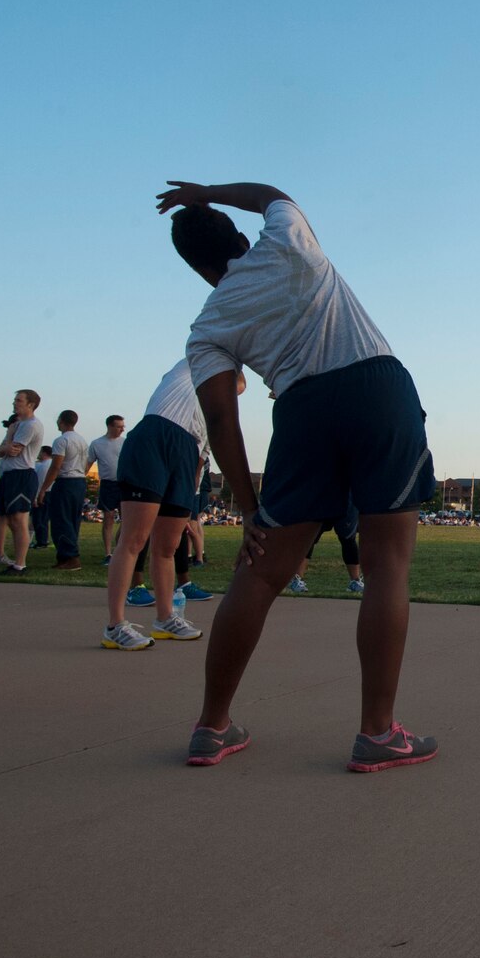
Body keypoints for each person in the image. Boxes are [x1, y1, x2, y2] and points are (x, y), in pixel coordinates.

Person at [160, 180, 438, 773]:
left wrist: (246, 506)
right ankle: (377, 733)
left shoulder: (208, 324)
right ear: (237, 236)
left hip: (301, 411)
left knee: (259, 575)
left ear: (197, 269)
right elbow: (271, 193)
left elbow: (220, 420)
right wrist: (206, 191)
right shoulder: (284, 241)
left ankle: (211, 726)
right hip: (376, 388)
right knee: (387, 564)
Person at [103, 360, 240, 649]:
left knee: (168, 546)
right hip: (156, 435)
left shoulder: (212, 416)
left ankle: (165, 618)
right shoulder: (194, 365)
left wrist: (187, 495)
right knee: (134, 539)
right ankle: (115, 625)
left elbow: (201, 459)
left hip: (187, 454)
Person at [0, 391, 46, 576]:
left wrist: (8, 442)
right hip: (10, 475)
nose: (15, 403)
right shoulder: (18, 425)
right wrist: (6, 444)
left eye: (19, 400)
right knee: (7, 518)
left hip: (22, 475)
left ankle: (20, 564)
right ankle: (4, 557)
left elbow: (12, 451)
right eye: (15, 400)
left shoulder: (30, 425)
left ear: (31, 404)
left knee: (19, 520)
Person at [36, 410, 89, 570]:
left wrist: (43, 488)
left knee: (61, 520)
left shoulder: (61, 440)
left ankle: (70, 556)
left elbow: (56, 465)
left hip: (65, 482)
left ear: (61, 421)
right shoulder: (82, 440)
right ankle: (67, 555)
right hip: (79, 481)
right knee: (73, 520)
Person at [88, 414, 127, 563]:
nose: (122, 429)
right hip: (107, 484)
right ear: (110, 426)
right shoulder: (97, 444)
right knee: (108, 518)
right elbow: (89, 463)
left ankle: (120, 549)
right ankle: (108, 553)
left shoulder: (125, 442)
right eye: (119, 426)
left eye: (123, 426)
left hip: (124, 484)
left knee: (126, 519)